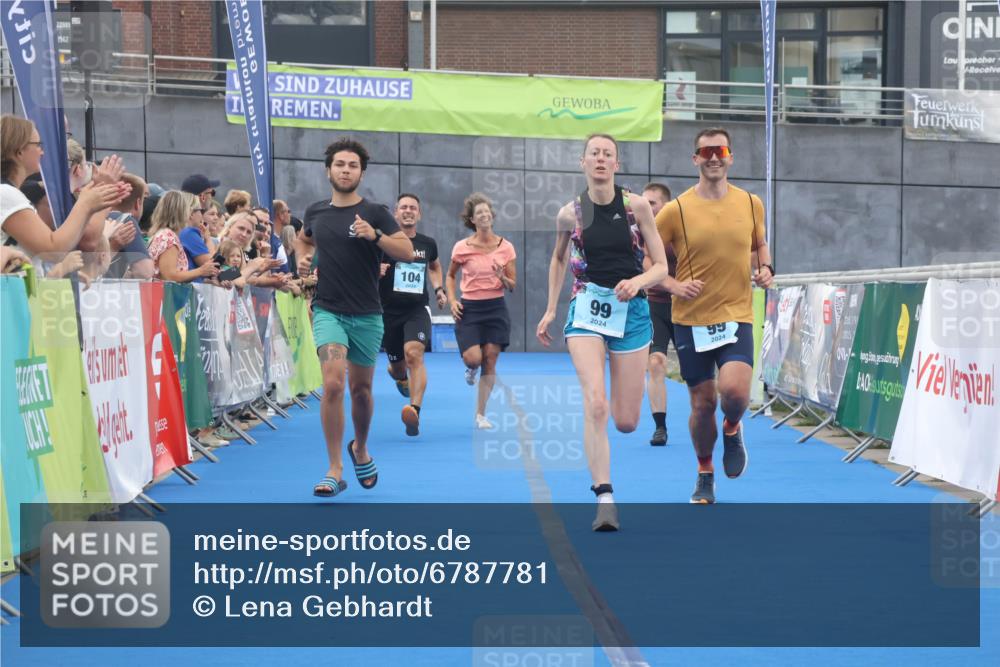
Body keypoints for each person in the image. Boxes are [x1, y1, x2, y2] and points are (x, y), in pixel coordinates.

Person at [536, 133, 669, 531]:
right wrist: (549, 310)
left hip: (631, 311)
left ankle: (615, 437)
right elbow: (558, 261)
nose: (600, 159)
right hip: (587, 309)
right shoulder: (570, 214)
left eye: (607, 154)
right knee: (595, 403)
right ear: (582, 162)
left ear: (616, 163)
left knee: (626, 421)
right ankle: (604, 496)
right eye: (594, 153)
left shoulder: (636, 206)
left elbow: (661, 265)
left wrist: (639, 281)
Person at [654, 127, 774, 504]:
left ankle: (734, 427)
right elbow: (649, 262)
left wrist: (766, 268)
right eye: (706, 152)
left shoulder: (751, 203)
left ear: (731, 157)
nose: (713, 158)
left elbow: (759, 244)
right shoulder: (676, 211)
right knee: (702, 404)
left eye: (720, 150)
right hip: (691, 319)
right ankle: (705, 471)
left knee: (735, 393)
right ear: (695, 160)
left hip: (736, 312)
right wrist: (673, 286)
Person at [293, 138, 414, 498]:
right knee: (332, 384)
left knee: (360, 391)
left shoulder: (374, 212)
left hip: (367, 315)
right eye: (340, 164)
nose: (346, 170)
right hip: (329, 311)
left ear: (361, 172)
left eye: (353, 165)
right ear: (328, 169)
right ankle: (334, 468)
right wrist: (303, 260)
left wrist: (374, 235)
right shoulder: (316, 211)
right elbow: (304, 239)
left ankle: (359, 448)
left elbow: (406, 252)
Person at [1, 115, 128, 259]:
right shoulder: (6, 193)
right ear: (19, 151)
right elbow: (52, 249)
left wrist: (92, 200)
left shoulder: (10, 193)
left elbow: (64, 245)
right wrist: (86, 203)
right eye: (38, 145)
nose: (42, 152)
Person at [445, 193, 516, 431]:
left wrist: (502, 277)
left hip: (495, 308)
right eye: (479, 214)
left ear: (492, 216)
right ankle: (470, 368)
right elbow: (450, 275)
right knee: (474, 358)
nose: (485, 216)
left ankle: (481, 415)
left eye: (487, 212)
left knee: (491, 359)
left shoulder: (505, 247)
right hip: (471, 309)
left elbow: (513, 285)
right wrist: (453, 300)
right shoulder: (461, 248)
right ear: (472, 220)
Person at [378, 193, 447, 436]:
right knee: (398, 368)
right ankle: (399, 377)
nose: (408, 211)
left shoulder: (427, 243)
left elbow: (435, 265)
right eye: (403, 207)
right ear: (396, 213)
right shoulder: (383, 242)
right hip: (388, 312)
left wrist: (439, 289)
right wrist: (376, 270)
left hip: (417, 309)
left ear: (419, 214)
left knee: (414, 354)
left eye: (413, 208)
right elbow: (363, 268)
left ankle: (414, 410)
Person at [640, 182, 677, 446]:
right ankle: (660, 427)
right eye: (644, 202)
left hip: (688, 307)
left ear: (666, 205)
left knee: (700, 375)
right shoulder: (639, 232)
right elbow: (647, 267)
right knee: (655, 363)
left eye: (652, 203)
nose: (646, 207)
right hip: (655, 305)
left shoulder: (681, 228)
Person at [146, 190, 220, 283]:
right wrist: (201, 271)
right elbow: (170, 276)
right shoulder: (168, 237)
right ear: (184, 211)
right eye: (199, 210)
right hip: (167, 296)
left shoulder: (165, 234)